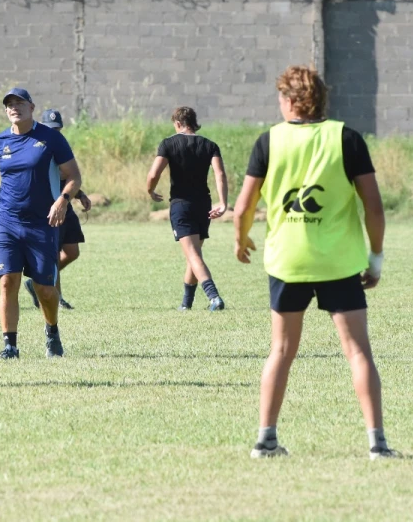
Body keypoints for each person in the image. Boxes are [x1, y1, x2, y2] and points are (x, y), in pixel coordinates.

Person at [233, 66, 397, 460]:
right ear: (320, 99)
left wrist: (241, 240)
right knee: (358, 352)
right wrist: (375, 256)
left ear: (289, 101)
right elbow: (373, 206)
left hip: (287, 261)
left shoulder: (268, 141)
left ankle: (265, 440)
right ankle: (377, 444)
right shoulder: (347, 138)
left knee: (281, 350)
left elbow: (243, 208)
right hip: (339, 262)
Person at [0, 89, 82, 359]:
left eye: (19, 103)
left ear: (31, 107)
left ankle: (52, 331)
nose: (14, 108)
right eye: (9, 104)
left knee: (45, 289)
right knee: (8, 281)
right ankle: (10, 345)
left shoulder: (51, 138)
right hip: (7, 223)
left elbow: (74, 177)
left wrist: (63, 200)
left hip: (42, 225)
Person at [147, 106, 228, 311]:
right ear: (194, 123)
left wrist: (150, 190)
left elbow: (153, 174)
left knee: (193, 254)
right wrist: (223, 202)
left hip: (181, 205)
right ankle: (186, 304)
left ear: (177, 123)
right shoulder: (210, 145)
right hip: (203, 205)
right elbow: (220, 174)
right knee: (194, 254)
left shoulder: (168, 143)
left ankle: (214, 297)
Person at [23, 108, 90, 311]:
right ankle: (57, 298)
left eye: (58, 128)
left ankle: (36, 281)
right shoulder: (37, 147)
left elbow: (69, 176)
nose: (55, 131)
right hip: (48, 209)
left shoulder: (60, 145)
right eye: (51, 128)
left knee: (71, 251)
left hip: (65, 206)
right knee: (53, 254)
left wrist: (80, 195)